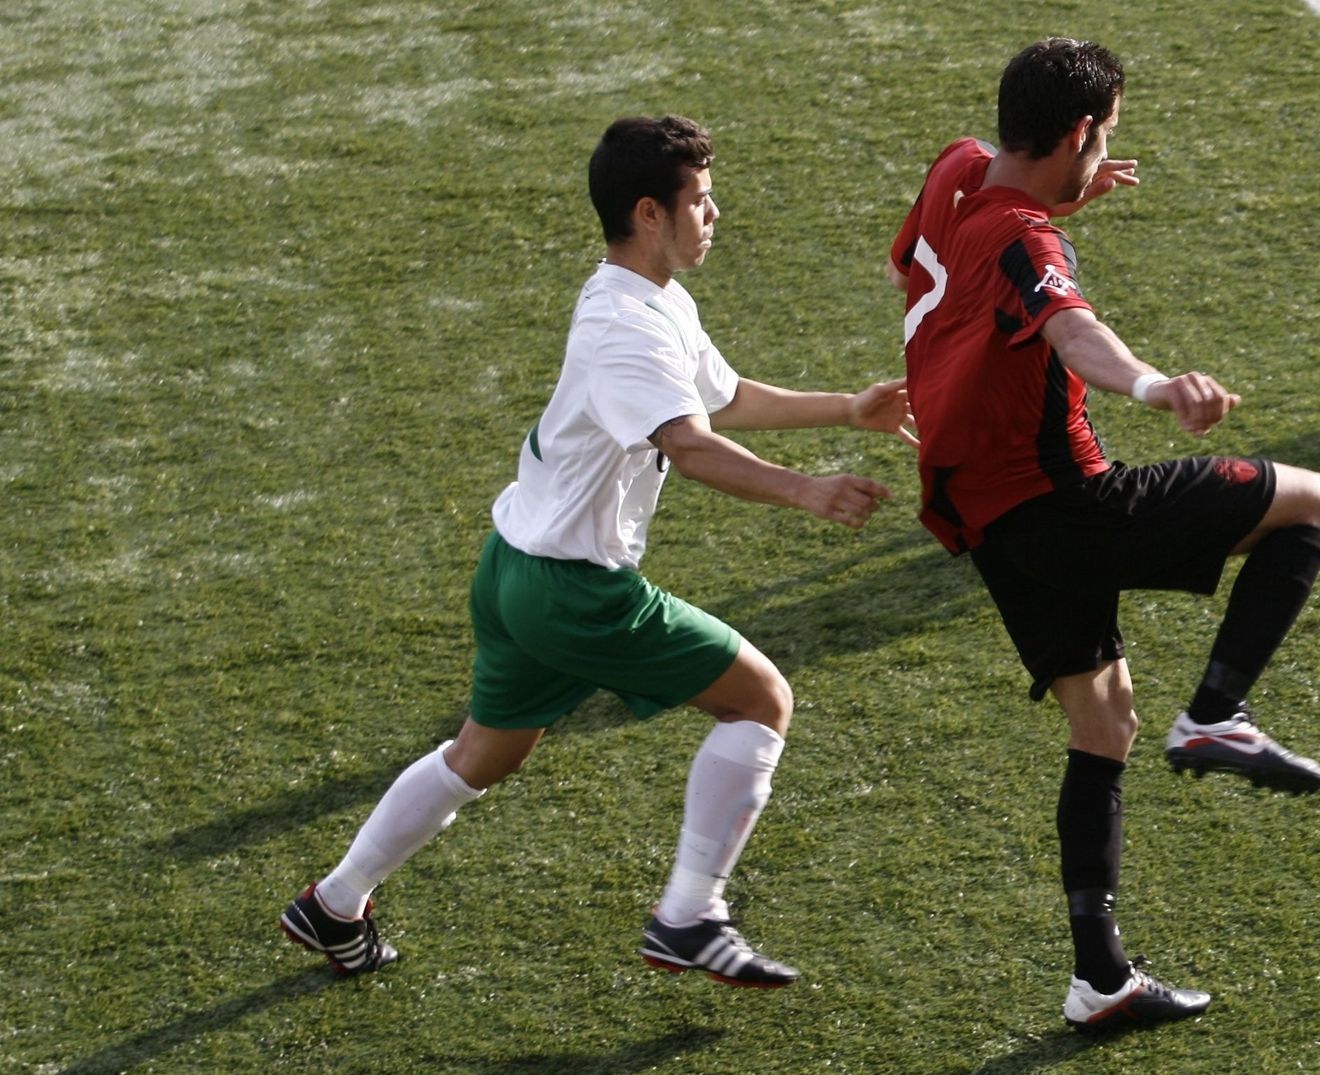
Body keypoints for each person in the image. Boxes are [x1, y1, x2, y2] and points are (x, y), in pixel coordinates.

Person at [281, 114, 916, 989]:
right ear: (650, 212)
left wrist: (848, 407)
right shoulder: (625, 326)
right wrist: (805, 489)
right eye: (700, 200)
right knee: (762, 700)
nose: (715, 213)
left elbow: (720, 401)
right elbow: (690, 446)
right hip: (573, 590)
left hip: (511, 569)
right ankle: (688, 916)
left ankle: (334, 902)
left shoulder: (652, 302)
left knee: (482, 755)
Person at [887, 39, 1320, 1031]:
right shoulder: (1028, 244)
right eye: (1106, 140)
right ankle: (1218, 713)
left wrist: (1063, 201)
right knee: (1314, 501)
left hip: (987, 522)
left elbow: (966, 265)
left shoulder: (956, 172)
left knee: (1102, 726)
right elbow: (1068, 330)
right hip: (1067, 505)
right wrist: (1152, 383)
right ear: (1082, 131)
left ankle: (1099, 980)